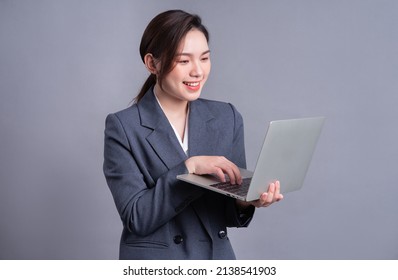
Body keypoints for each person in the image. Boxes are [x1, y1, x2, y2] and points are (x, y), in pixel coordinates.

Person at [103, 9, 283, 260]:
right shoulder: (123, 126)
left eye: (205, 58)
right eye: (184, 61)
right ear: (152, 63)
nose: (198, 71)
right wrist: (188, 168)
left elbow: (224, 212)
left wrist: (246, 202)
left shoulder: (226, 117)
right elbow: (137, 217)